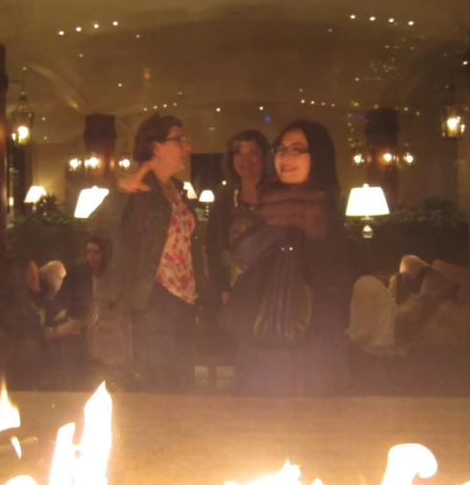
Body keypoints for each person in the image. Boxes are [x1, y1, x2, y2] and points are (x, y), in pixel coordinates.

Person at [228, 119, 355, 395]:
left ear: (317, 157)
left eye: (298, 149)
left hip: (308, 339)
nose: (286, 157)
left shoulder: (318, 213)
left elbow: (334, 282)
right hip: (265, 330)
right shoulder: (274, 203)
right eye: (282, 149)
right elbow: (244, 254)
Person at [87, 113, 210, 392]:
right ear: (155, 146)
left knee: (182, 381)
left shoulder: (177, 189)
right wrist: (120, 190)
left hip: (185, 299)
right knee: (156, 384)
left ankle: (178, 435)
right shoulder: (137, 187)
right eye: (179, 139)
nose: (187, 146)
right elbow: (95, 226)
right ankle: (155, 434)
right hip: (152, 298)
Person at [207, 130, 270, 305]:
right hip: (233, 290)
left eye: (252, 153)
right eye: (239, 153)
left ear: (264, 158)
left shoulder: (277, 197)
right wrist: (222, 288)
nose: (245, 160)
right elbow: (214, 248)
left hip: (271, 290)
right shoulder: (225, 199)